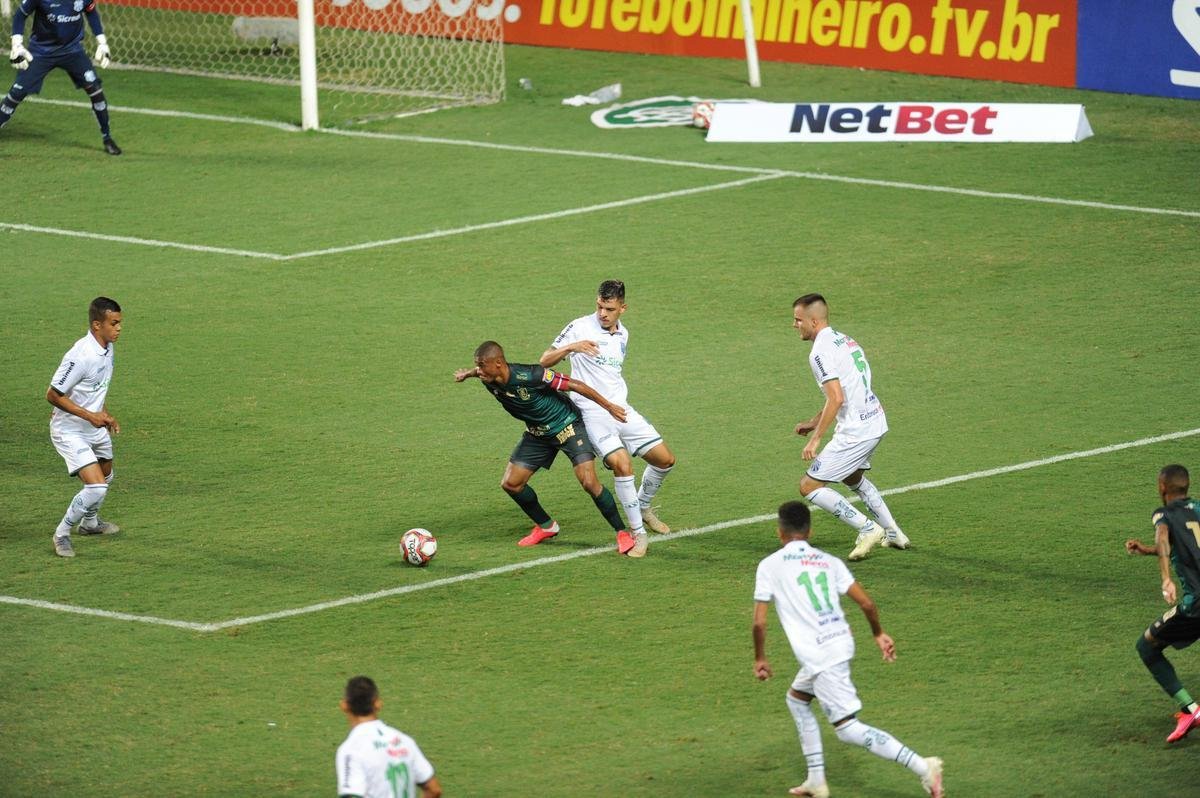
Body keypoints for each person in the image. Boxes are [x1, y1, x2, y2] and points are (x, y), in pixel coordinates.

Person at [752, 501, 943, 798]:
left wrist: (761, 658)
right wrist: (878, 634)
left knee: (847, 728)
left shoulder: (770, 566)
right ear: (810, 531)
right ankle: (816, 780)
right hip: (839, 641)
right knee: (797, 699)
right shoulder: (829, 561)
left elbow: (760, 624)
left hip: (822, 656)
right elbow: (866, 603)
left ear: (779, 533)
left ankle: (923, 766)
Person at [455, 340, 637, 555]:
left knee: (589, 482)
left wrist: (609, 407)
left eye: (482, 365)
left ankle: (622, 532)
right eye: (477, 365)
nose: (479, 370)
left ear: (498, 363)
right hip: (538, 433)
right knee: (511, 484)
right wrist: (466, 374)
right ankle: (547, 526)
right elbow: (477, 372)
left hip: (567, 425)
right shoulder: (488, 376)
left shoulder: (531, 375)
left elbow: (576, 385)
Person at [541, 279, 677, 559]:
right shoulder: (579, 326)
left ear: (622, 308)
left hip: (621, 409)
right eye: (600, 306)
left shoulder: (623, 335)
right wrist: (571, 348)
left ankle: (641, 506)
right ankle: (638, 534)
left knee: (665, 460)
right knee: (622, 465)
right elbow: (544, 361)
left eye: (609, 308)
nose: (602, 313)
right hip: (592, 413)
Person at [792, 293, 908, 561]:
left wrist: (816, 439)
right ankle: (893, 533)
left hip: (856, 432)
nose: (794, 325)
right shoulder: (846, 340)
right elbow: (845, 391)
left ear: (813, 320)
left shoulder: (819, 353)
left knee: (809, 486)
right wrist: (813, 422)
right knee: (852, 476)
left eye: (798, 320)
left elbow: (837, 397)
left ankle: (868, 529)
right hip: (875, 420)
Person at [1124, 463, 1200, 743]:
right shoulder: (1199, 510)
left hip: (1197, 605)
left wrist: (1166, 579)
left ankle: (1190, 710)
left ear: (1162, 488)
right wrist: (1148, 550)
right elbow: (1186, 544)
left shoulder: (1163, 514)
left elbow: (1165, 537)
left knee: (1147, 646)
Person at [47, 296, 123, 558]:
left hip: (94, 425)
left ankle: (89, 524)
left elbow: (95, 389)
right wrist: (89, 415)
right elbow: (53, 394)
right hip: (69, 430)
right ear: (96, 325)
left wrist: (104, 414)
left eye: (119, 323)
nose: (119, 328)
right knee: (97, 487)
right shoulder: (81, 355)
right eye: (113, 323)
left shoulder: (107, 347)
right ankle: (62, 533)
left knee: (107, 475)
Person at [3, 0, 121, 154]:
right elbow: (20, 15)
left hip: (72, 51)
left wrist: (102, 43)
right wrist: (17, 45)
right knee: (17, 93)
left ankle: (107, 138)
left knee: (95, 89)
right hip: (41, 52)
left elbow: (91, 12)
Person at [336, 676, 443, 798]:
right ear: (378, 703)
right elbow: (434, 789)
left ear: (344, 706)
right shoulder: (404, 741)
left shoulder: (351, 750)